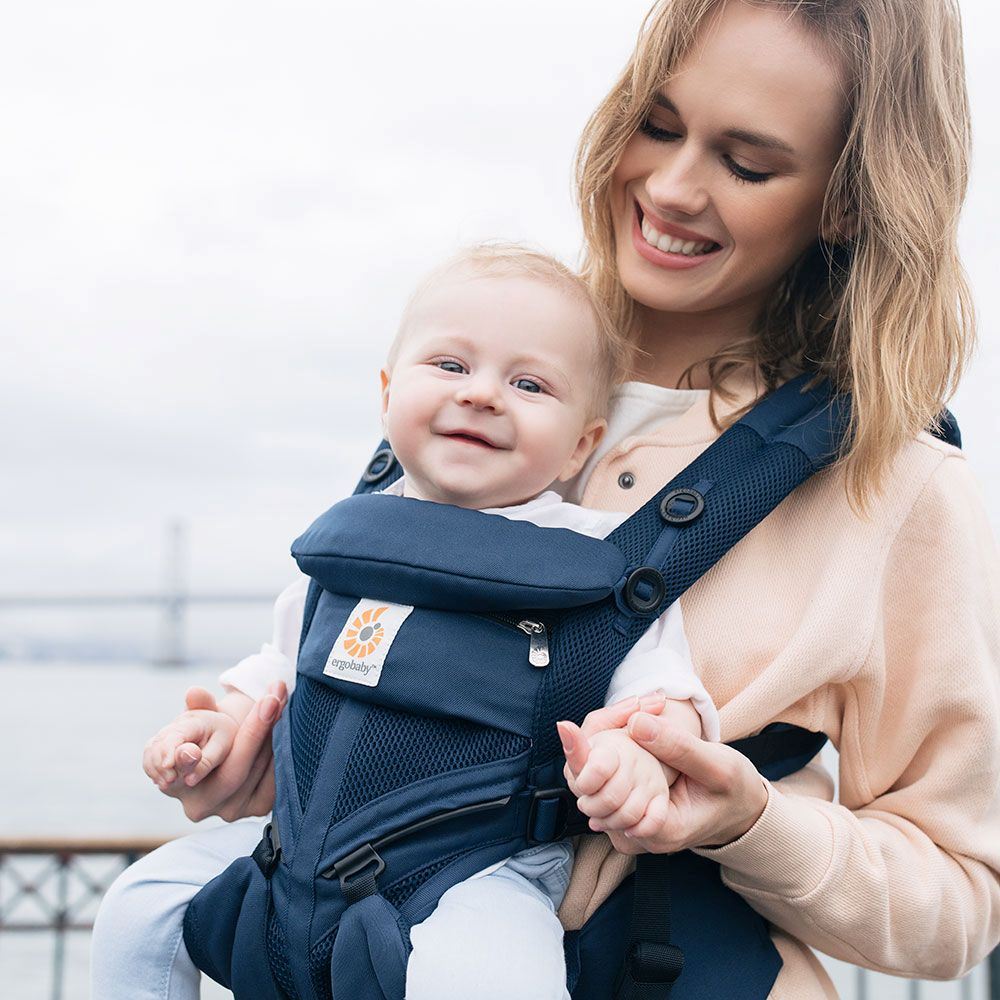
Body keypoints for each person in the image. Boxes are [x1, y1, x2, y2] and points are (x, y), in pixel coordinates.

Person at [94, 0, 1000, 996]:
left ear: (847, 201)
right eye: (654, 124)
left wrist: (748, 820)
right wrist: (267, 755)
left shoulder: (896, 485)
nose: (668, 185)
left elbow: (955, 905)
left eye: (745, 164)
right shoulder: (478, 363)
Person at [94, 244, 721, 999]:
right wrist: (219, 730)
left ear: (582, 443)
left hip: (479, 867)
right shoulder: (353, 545)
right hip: (299, 846)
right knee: (137, 907)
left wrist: (638, 759)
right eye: (450, 367)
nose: (483, 395)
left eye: (528, 383)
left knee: (487, 978)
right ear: (387, 394)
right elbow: (277, 673)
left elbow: (669, 700)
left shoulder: (598, 562)